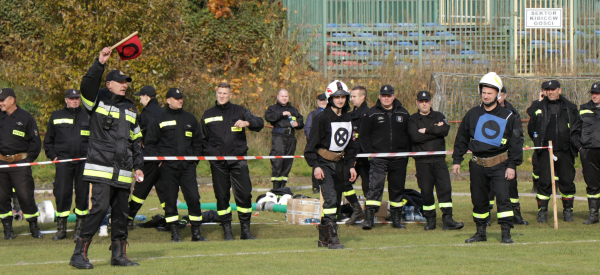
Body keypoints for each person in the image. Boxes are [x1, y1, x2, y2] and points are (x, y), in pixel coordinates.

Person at [69, 47, 144, 269]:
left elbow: (136, 139)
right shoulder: (96, 100)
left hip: (123, 169)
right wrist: (99, 63)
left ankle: (118, 255)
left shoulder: (131, 107)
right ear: (109, 84)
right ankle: (78, 255)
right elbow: (87, 85)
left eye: (126, 82)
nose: (124, 85)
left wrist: (138, 165)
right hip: (100, 167)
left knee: (121, 212)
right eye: (120, 82)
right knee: (100, 209)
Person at [452, 72, 523, 244]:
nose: (486, 96)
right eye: (483, 92)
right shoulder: (472, 114)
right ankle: (480, 232)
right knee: (478, 200)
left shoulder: (508, 116)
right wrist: (456, 160)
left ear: (497, 94)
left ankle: (506, 233)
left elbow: (515, 143)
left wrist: (512, 165)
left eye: (489, 93)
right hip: (477, 165)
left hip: (500, 164)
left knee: (503, 199)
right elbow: (461, 138)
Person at [200, 82, 264, 240]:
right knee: (221, 197)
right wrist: (209, 155)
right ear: (216, 94)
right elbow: (201, 139)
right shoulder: (208, 114)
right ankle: (227, 231)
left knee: (244, 195)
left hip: (238, 160)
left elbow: (259, 123)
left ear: (230, 95)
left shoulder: (240, 111)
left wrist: (247, 123)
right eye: (219, 93)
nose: (222, 96)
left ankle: (245, 231)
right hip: (218, 163)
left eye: (225, 93)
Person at [145, 88, 207, 242]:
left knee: (193, 198)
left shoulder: (190, 118)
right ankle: (175, 233)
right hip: (168, 168)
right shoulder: (159, 119)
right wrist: (159, 161)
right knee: (170, 200)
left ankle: (196, 233)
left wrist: (194, 160)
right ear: (168, 100)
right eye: (176, 98)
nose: (180, 100)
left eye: (181, 98)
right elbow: (150, 143)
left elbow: (198, 141)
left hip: (187, 167)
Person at [304, 80, 357, 249]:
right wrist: (316, 166)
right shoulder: (321, 118)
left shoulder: (349, 118)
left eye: (343, 97)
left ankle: (322, 239)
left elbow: (351, 146)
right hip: (323, 164)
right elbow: (310, 147)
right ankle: (333, 239)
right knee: (330, 199)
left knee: (336, 201)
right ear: (330, 98)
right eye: (337, 97)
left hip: (340, 164)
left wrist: (351, 166)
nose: (340, 100)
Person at [408, 91, 464, 231]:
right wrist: (435, 132)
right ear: (417, 103)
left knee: (445, 189)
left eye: (426, 100)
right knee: (426, 191)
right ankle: (430, 220)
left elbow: (444, 130)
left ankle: (448, 219)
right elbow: (415, 137)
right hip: (422, 162)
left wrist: (426, 130)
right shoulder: (413, 119)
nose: (424, 103)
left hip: (439, 161)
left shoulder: (439, 115)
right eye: (421, 101)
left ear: (431, 101)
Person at [360, 85, 411, 230]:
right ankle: (369, 219)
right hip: (378, 158)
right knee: (375, 187)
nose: (386, 98)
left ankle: (396, 219)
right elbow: (363, 136)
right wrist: (371, 153)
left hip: (399, 158)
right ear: (379, 96)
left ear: (393, 96)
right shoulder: (371, 114)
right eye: (383, 95)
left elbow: (409, 135)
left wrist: (406, 153)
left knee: (397, 188)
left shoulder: (404, 113)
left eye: (389, 95)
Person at [527, 80, 578, 223]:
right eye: (547, 89)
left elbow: (576, 128)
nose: (550, 92)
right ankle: (542, 212)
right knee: (544, 182)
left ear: (559, 90)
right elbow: (532, 129)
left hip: (565, 152)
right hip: (545, 151)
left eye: (553, 89)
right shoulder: (538, 107)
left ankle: (568, 211)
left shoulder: (570, 107)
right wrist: (538, 143)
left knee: (567, 182)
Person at [43, 89, 90, 240]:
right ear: (66, 100)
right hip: (63, 161)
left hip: (83, 161)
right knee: (62, 193)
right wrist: (53, 156)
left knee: (83, 194)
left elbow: (95, 139)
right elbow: (48, 141)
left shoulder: (88, 115)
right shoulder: (56, 116)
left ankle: (80, 227)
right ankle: (61, 228)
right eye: (71, 98)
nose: (75, 101)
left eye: (77, 98)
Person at [0, 87, 43, 239]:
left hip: (20, 164)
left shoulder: (26, 117)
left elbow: (36, 142)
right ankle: (8, 230)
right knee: (2, 197)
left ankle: (34, 227)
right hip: (1, 163)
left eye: (2, 100)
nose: (0, 103)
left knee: (25, 196)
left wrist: (27, 160)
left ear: (12, 100)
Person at [487, 87, 529, 225]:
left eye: (499, 95)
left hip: (507, 157)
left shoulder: (512, 113)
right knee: (489, 189)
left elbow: (517, 135)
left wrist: (514, 155)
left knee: (511, 187)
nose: (497, 97)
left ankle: (516, 214)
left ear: (504, 95)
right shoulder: (485, 110)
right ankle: (486, 217)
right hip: (490, 156)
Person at [127, 86, 166, 229]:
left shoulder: (147, 113)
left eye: (141, 97)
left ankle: (129, 218)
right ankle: (170, 217)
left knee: (140, 189)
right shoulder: (163, 112)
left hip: (150, 159)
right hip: (164, 159)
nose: (140, 100)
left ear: (147, 97)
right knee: (163, 188)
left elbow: (149, 137)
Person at [571, 82, 600, 225]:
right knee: (592, 184)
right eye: (592, 93)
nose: (594, 95)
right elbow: (574, 132)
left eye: (597, 93)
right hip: (589, 152)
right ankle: (593, 214)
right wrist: (580, 148)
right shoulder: (583, 109)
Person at [265, 88, 304, 189]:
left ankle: (283, 186)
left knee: (288, 161)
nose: (284, 98)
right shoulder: (273, 108)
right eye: (282, 96)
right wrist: (282, 114)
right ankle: (276, 187)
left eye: (286, 96)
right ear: (278, 97)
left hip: (291, 137)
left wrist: (298, 123)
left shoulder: (293, 110)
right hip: (278, 136)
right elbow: (269, 117)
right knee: (278, 160)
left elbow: (301, 122)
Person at [342, 86, 370, 225]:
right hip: (353, 156)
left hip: (364, 157)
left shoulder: (368, 113)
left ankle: (370, 217)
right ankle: (357, 210)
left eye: (354, 96)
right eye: (351, 96)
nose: (351, 99)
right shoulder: (352, 113)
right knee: (344, 182)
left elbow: (362, 138)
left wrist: (355, 157)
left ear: (362, 97)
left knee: (367, 187)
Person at [305, 93, 328, 194]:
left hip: (328, 146)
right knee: (316, 165)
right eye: (321, 100)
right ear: (318, 101)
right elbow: (307, 128)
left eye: (325, 100)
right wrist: (313, 141)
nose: (323, 101)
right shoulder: (313, 114)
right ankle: (315, 187)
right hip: (316, 145)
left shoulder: (331, 113)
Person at [526, 89, 547, 194]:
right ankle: (535, 185)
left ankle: (555, 187)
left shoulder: (556, 104)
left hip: (551, 140)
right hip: (538, 139)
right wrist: (540, 101)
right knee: (537, 163)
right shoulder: (536, 104)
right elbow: (530, 112)